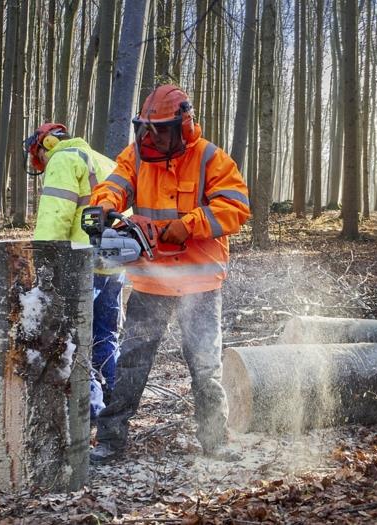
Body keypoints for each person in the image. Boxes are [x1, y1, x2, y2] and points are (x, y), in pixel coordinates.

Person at [88, 85, 250, 463]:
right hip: (152, 280)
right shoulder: (138, 156)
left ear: (182, 124)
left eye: (160, 128)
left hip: (200, 283)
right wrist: (106, 207)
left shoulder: (210, 158)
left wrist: (189, 225)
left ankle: (215, 440)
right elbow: (114, 183)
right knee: (131, 363)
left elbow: (236, 206)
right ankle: (111, 441)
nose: (153, 135)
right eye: (148, 128)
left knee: (205, 367)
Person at [26, 123, 124, 418]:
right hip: (115, 263)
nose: (44, 163)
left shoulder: (63, 159)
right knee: (106, 334)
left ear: (48, 145)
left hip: (80, 263)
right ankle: (117, 402)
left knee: (74, 336)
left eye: (41, 157)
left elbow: (55, 216)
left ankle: (90, 410)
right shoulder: (103, 160)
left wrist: (43, 265)